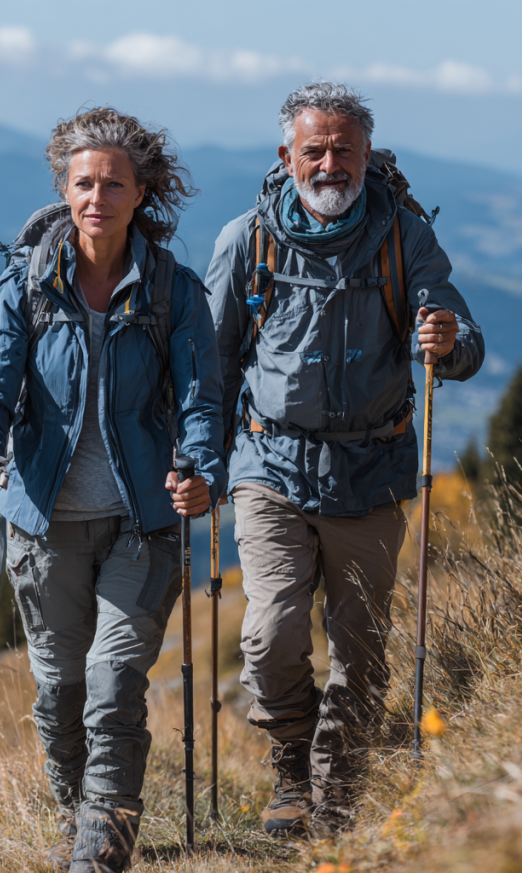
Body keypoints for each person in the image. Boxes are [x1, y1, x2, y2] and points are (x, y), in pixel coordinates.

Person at [206, 82, 484, 837]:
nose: (330, 164)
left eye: (343, 150)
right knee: (268, 633)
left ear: (366, 154)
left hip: (371, 469)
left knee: (361, 646)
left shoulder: (404, 239)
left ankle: (338, 784)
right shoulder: (246, 241)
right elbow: (212, 362)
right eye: (314, 150)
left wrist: (448, 342)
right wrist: (200, 457)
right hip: (270, 466)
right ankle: (293, 769)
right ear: (285, 156)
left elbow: (464, 343)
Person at [0, 107, 226, 872]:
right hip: (43, 525)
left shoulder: (173, 290)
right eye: (83, 182)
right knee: (59, 694)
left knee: (114, 679)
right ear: (63, 188)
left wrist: (200, 468)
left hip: (141, 524)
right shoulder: (26, 284)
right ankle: (81, 813)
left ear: (141, 193)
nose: (96, 197)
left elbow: (203, 397)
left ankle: (101, 851)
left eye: (113, 183)